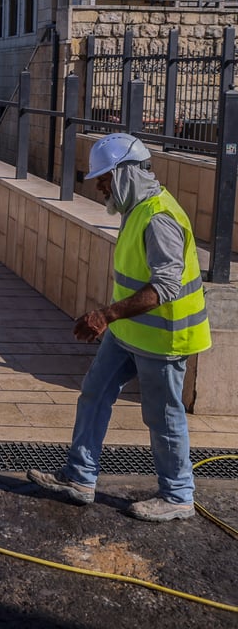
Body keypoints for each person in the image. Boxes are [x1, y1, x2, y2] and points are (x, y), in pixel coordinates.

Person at [28, 133, 211, 522]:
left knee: (162, 415)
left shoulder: (159, 218)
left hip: (164, 337)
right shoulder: (137, 208)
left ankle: (178, 495)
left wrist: (105, 316)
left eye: (104, 178)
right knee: (94, 392)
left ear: (126, 174)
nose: (98, 186)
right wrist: (111, 321)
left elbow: (164, 287)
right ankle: (80, 477)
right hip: (130, 333)